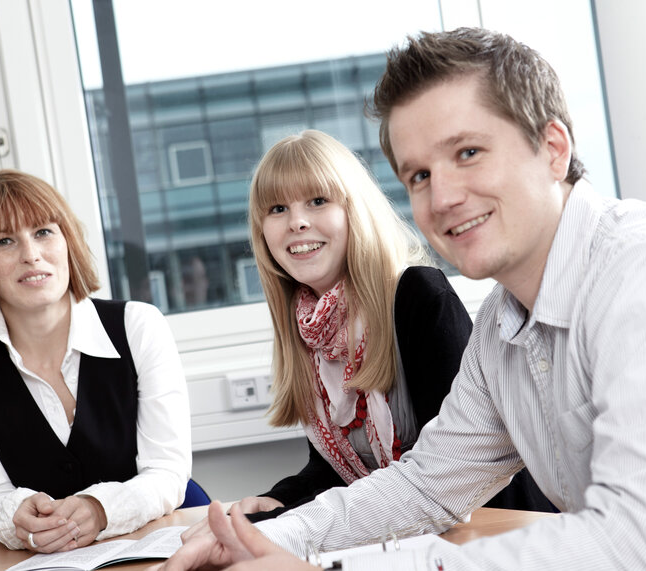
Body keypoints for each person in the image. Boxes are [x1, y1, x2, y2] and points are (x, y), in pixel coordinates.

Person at [154, 27, 646, 571]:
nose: (442, 197)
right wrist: (269, 540)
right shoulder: (501, 328)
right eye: (418, 175)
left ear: (553, 149)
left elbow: (644, 543)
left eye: (468, 152)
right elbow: (426, 487)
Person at [191, 129, 553, 531]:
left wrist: (279, 525)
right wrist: (277, 500)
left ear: (354, 211)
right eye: (277, 208)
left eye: (317, 201)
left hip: (494, 530)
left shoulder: (418, 296)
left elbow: (451, 474)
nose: (297, 222)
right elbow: (336, 470)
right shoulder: (309, 330)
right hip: (413, 533)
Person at [0, 169, 193, 553]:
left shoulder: (139, 325)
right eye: (4, 241)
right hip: (35, 554)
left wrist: (101, 510)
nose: (30, 255)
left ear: (67, 240)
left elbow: (167, 472)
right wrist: (18, 516)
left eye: (43, 232)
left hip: (157, 536)